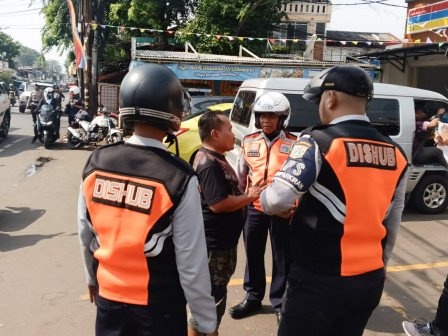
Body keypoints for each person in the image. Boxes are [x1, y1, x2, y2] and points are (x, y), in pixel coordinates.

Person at [260, 65, 409, 336]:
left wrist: (267, 196)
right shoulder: (396, 152)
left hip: (318, 279)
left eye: (318, 101)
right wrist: (381, 267)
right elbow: (393, 222)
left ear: (330, 98)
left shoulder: (319, 141)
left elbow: (275, 200)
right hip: (369, 279)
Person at [78, 63, 218, 336]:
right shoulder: (179, 176)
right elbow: (192, 263)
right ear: (172, 115)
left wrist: (91, 279)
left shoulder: (95, 163)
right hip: (158, 308)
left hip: (109, 300)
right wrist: (205, 321)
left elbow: (86, 235)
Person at [189, 111, 263, 336]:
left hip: (220, 244)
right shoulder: (209, 163)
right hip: (215, 248)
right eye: (229, 129)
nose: (233, 134)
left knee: (210, 304)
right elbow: (218, 204)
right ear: (214, 134)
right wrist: (250, 196)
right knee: (210, 306)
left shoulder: (214, 157)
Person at [229, 92, 296, 324]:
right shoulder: (249, 141)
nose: (266, 120)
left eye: (272, 116)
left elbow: (300, 180)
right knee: (253, 254)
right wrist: (242, 200)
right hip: (255, 209)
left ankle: (279, 302)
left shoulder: (295, 144)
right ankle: (253, 297)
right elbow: (241, 176)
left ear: (283, 118)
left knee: (282, 257)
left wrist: (293, 206)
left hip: (282, 210)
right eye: (262, 115)